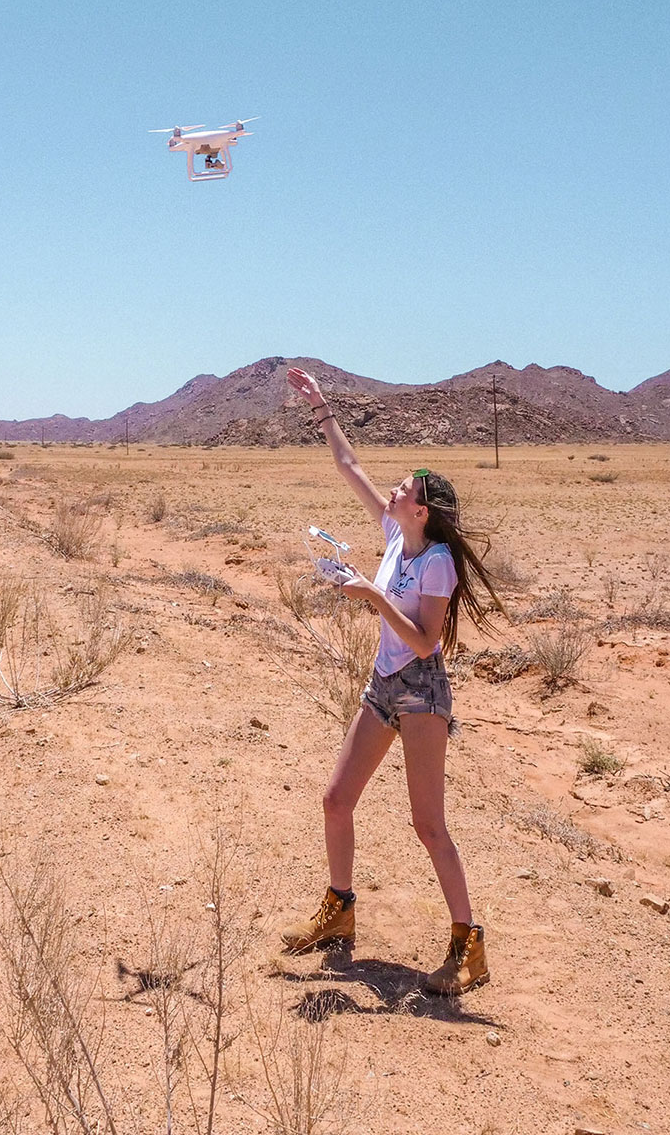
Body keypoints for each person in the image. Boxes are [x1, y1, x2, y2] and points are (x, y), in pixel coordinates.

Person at [280, 366, 503, 995]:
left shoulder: (434, 563)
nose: (392, 492)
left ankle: (468, 945)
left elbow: (427, 640)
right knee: (335, 799)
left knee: (428, 824)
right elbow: (348, 465)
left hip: (422, 693)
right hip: (383, 685)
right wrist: (321, 406)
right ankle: (340, 910)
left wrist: (372, 595)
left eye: (402, 489)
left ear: (421, 508)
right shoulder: (393, 534)